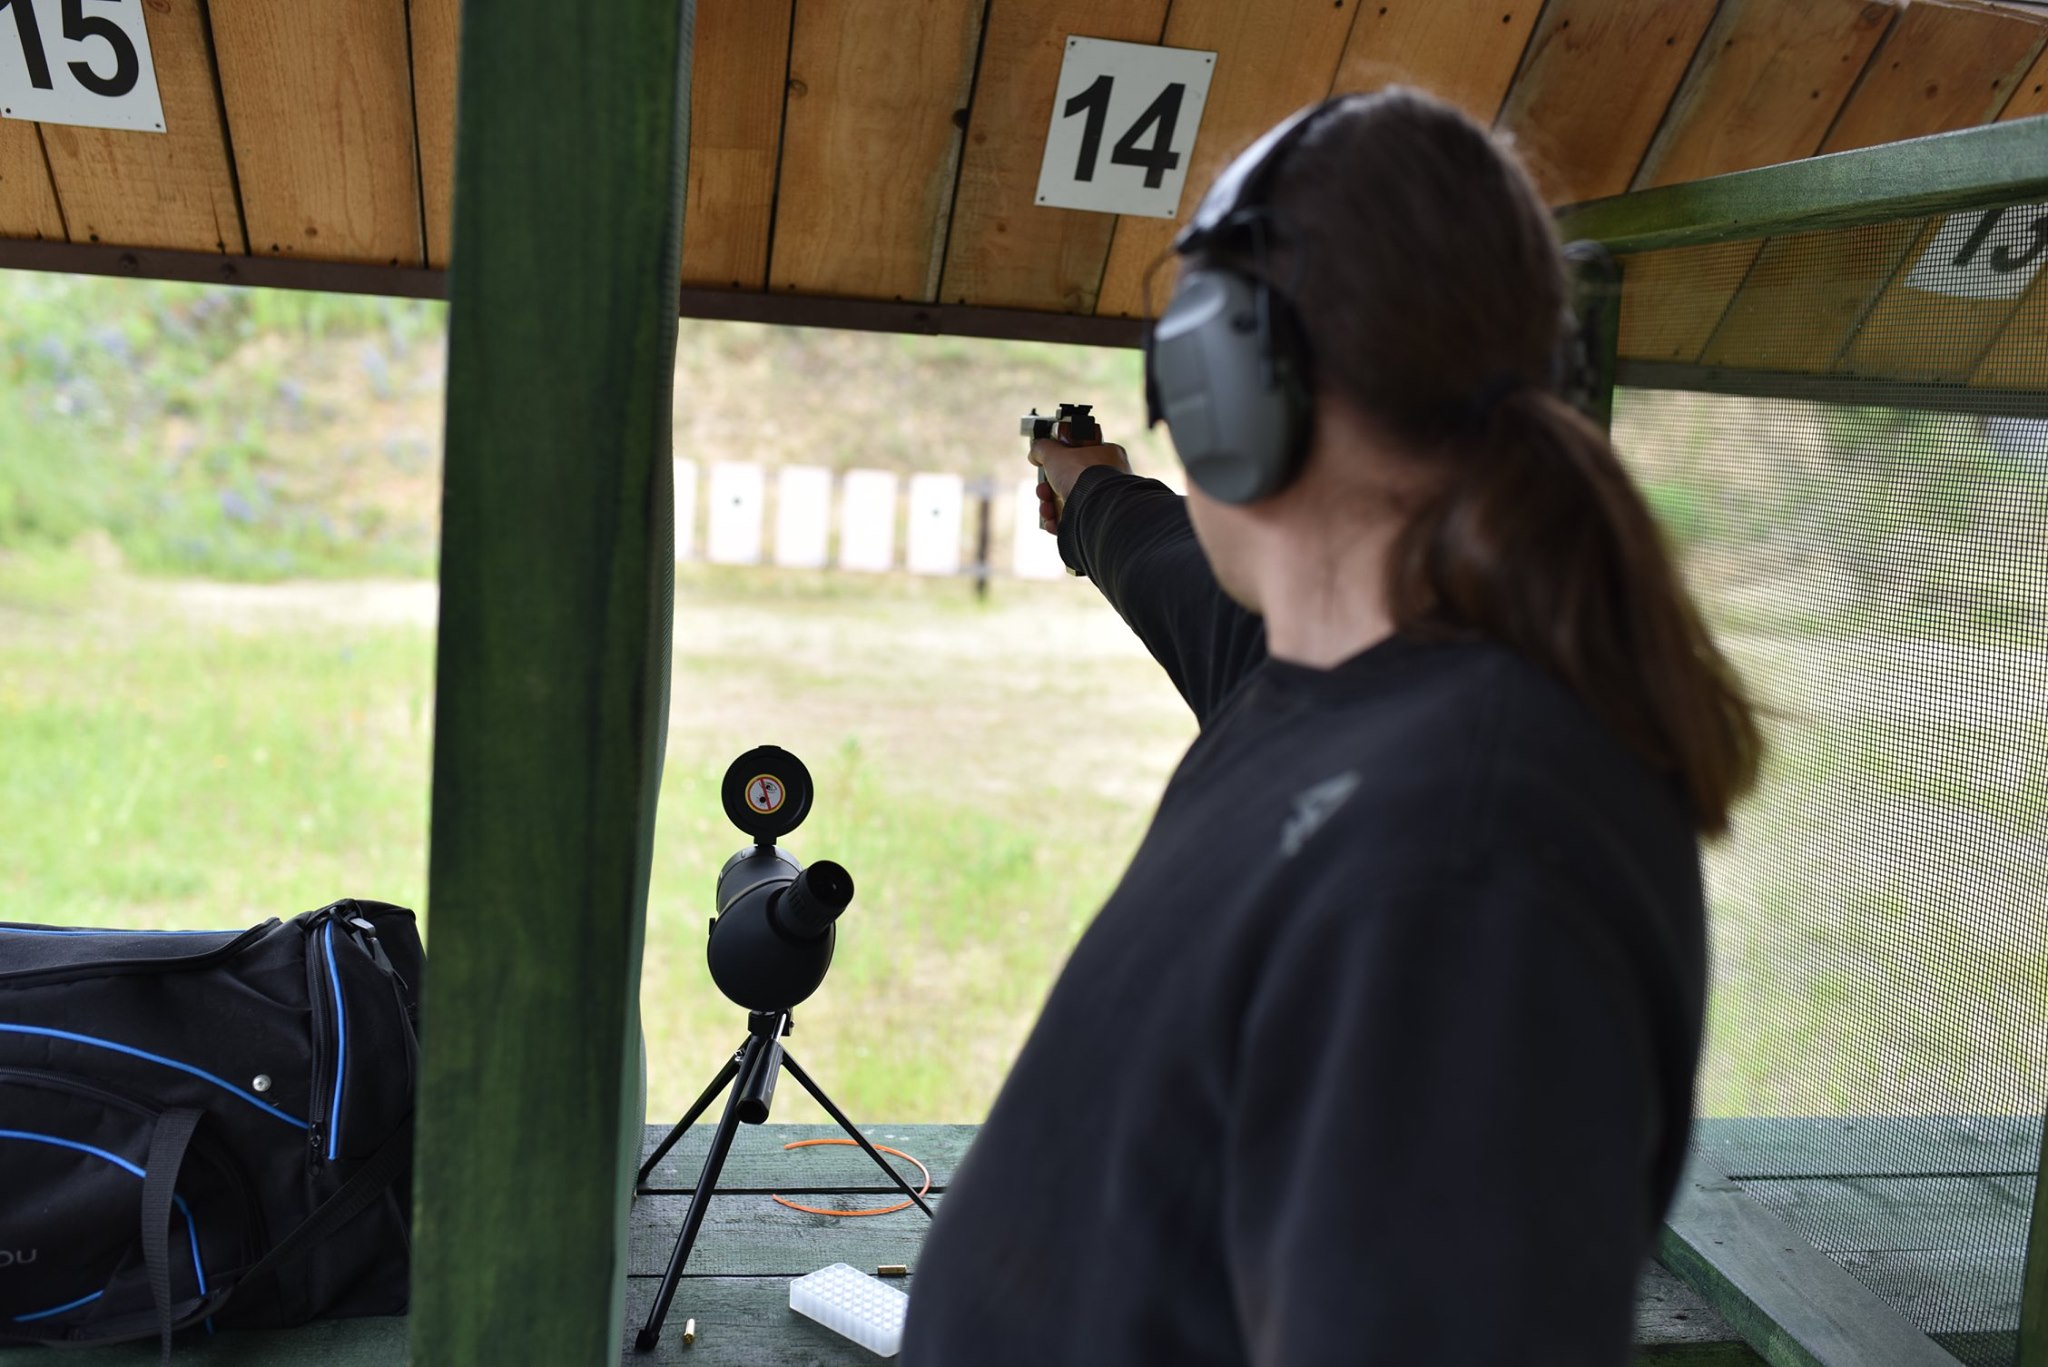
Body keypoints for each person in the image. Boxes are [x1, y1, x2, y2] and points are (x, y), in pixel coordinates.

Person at [899, 87, 1760, 1366]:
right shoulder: (1334, 679)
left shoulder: (1466, 860)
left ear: (1228, 384)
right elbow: (1166, 566)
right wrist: (1090, 497)